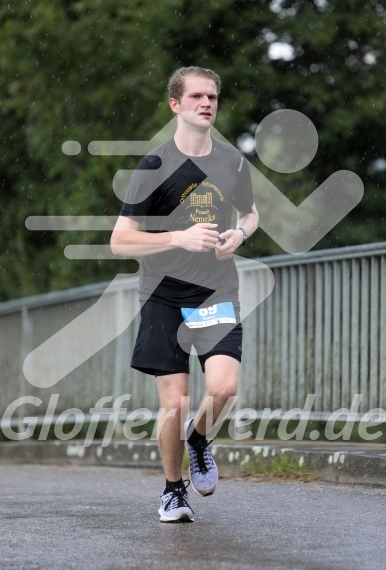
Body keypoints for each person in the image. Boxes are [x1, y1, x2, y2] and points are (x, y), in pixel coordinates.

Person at [110, 66, 259, 522]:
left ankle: (199, 440)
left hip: (215, 290)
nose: (206, 103)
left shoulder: (233, 161)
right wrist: (178, 238)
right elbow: (120, 240)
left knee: (225, 387)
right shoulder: (154, 165)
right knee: (174, 403)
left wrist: (239, 234)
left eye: (212, 96)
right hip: (163, 295)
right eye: (196, 96)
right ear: (176, 105)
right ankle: (173, 491)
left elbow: (250, 214)